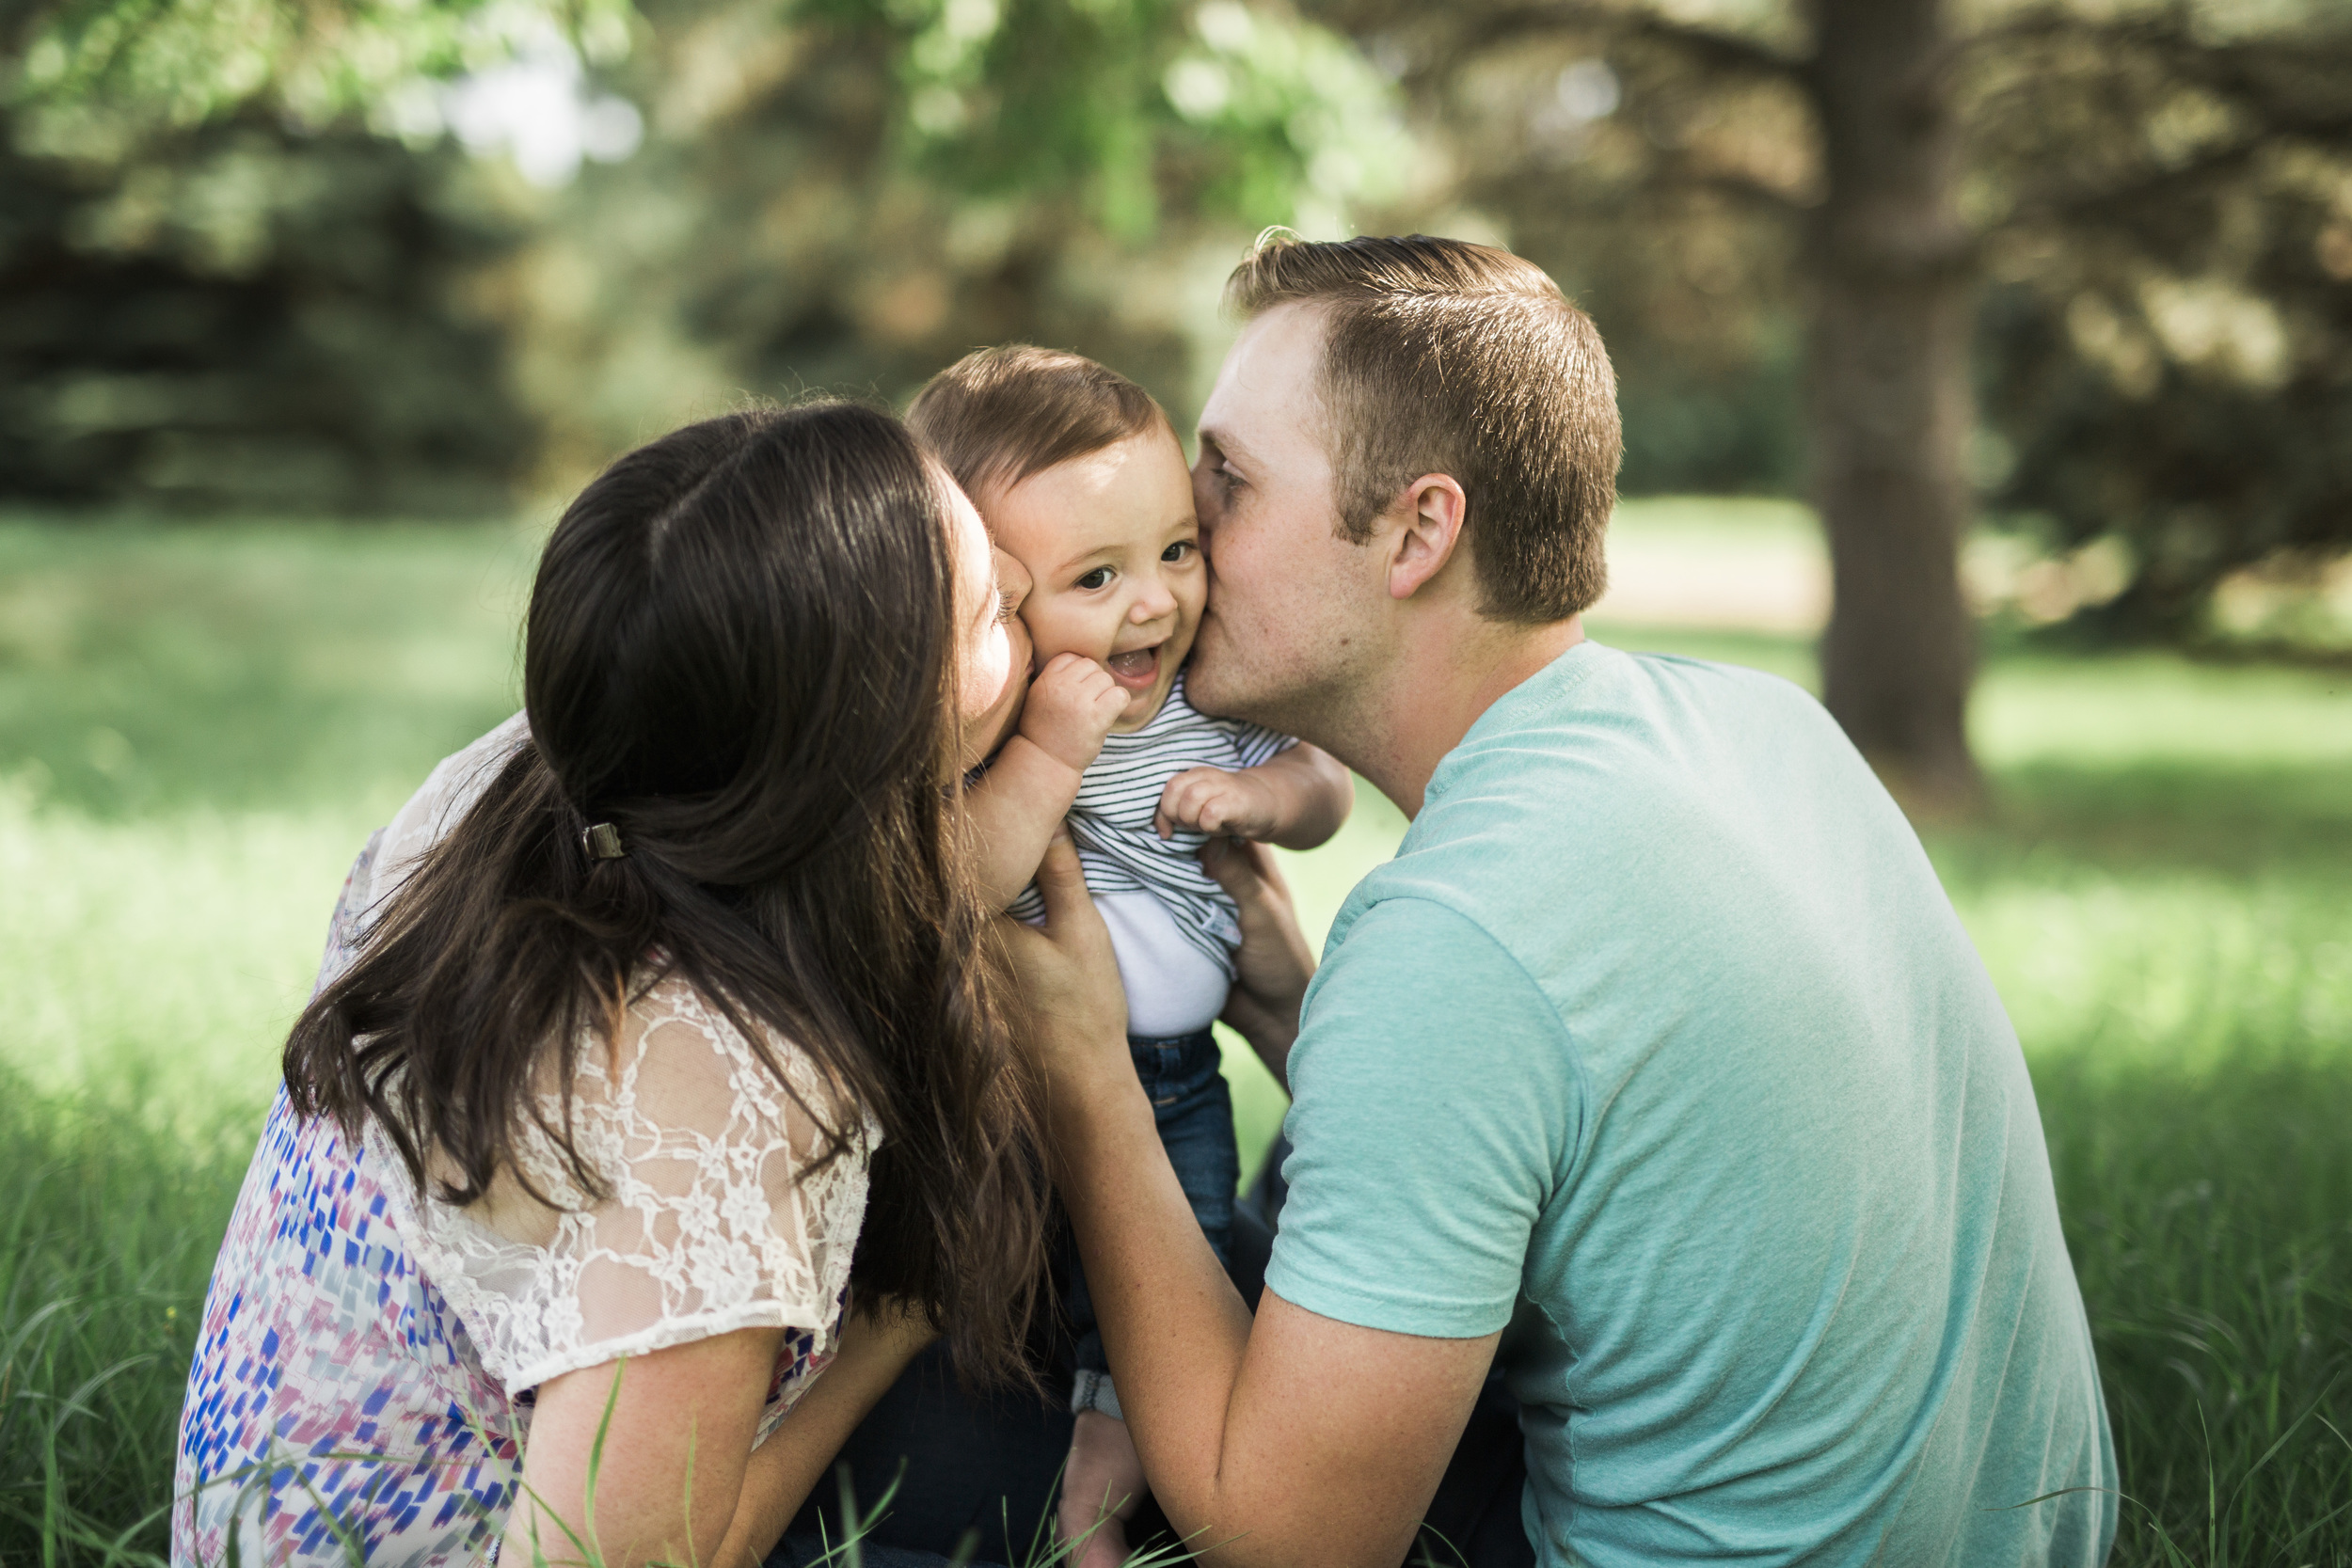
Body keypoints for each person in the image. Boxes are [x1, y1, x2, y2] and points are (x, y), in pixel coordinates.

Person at [1002, 234, 2119, 1567]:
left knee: (974, 1404)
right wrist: (1307, 1020)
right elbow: (1629, 1153)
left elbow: (1290, 1540)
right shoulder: (1766, 726)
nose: (1180, 531)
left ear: (1418, 529)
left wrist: (1087, 1078)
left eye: (1227, 479)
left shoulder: (1456, 940)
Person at [171, 402, 1056, 1568]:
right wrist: (894, 1324)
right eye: (990, 604)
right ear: (871, 733)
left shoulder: (542, 778)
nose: (1022, 576)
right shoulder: (714, 1099)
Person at [907, 346, 1354, 1567]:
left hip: (1176, 1075)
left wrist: (1266, 800)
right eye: (1097, 575)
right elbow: (970, 879)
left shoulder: (1210, 695)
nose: (1153, 601)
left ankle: (1112, 1479)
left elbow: (1325, 788)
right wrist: (1049, 745)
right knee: (1007, 1291)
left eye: (1177, 549)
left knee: (1182, 1265)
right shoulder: (999, 718)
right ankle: (996, 1440)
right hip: (1004, 1090)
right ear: (991, 591)